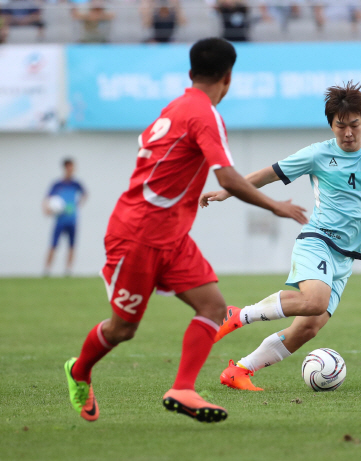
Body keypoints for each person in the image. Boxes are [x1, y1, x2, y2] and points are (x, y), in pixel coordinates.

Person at [63, 38, 308, 423]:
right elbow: (226, 176)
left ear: (191, 73)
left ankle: (183, 389)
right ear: (228, 78)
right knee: (123, 329)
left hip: (171, 236)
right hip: (138, 236)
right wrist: (276, 205)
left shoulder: (175, 108)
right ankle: (79, 371)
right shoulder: (203, 114)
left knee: (212, 306)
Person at [199, 81, 361, 391]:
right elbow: (267, 174)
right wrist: (227, 192)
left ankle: (240, 371)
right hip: (318, 239)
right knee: (314, 300)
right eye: (341, 126)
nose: (348, 132)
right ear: (331, 125)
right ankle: (240, 315)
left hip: (347, 255)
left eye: (354, 124)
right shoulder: (317, 154)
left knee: (309, 326)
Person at [43, 158, 87, 277]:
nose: (71, 169)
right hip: (60, 220)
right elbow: (47, 199)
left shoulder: (76, 184)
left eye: (73, 167)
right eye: (69, 167)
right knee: (53, 244)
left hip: (72, 220)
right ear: (65, 168)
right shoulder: (57, 184)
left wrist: (78, 204)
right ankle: (47, 270)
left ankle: (68, 270)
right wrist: (47, 209)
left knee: (72, 246)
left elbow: (85, 194)